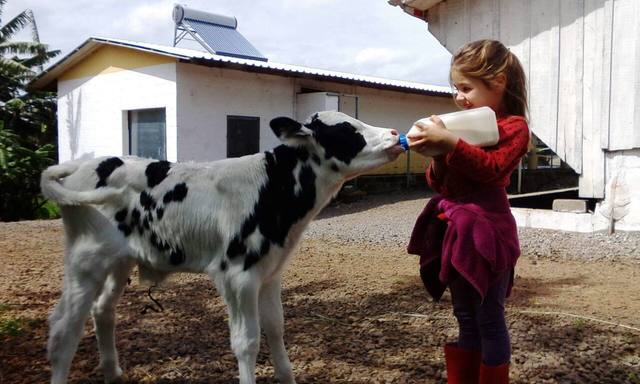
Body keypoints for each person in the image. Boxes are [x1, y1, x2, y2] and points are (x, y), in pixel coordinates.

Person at [406, 39, 530, 384]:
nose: (459, 96)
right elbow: (441, 184)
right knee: (464, 314)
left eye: (466, 87)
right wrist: (436, 154)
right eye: (455, 88)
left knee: (489, 317)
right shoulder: (461, 127)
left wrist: (451, 144)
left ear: (499, 82)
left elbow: (491, 169)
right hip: (456, 231)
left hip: (488, 232)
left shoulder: (514, 127)